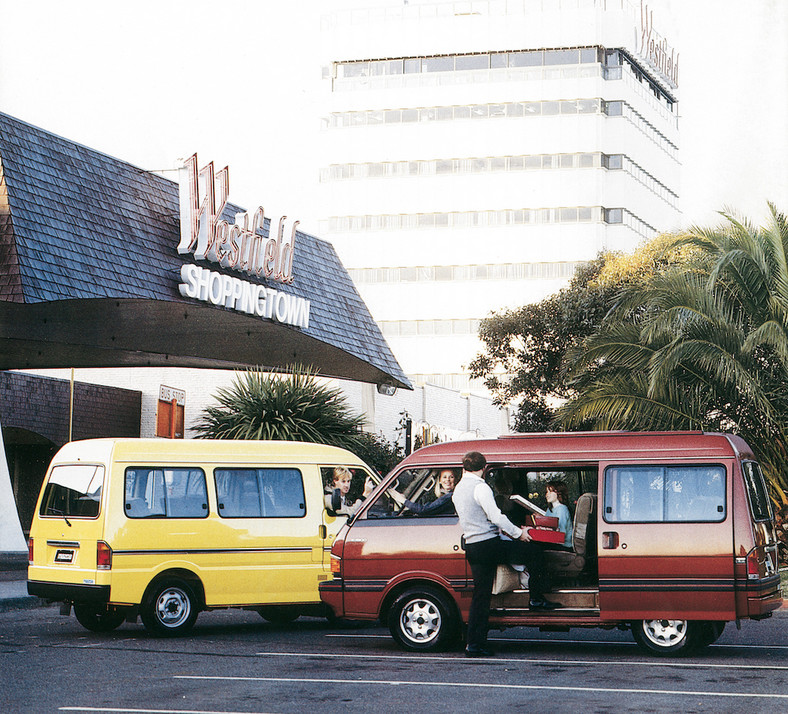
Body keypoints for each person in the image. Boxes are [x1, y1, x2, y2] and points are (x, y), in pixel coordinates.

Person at [452, 451, 558, 657]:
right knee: (534, 552)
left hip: (473, 546)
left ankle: (474, 644)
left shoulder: (458, 490)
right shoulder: (480, 487)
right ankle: (536, 598)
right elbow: (496, 517)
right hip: (489, 544)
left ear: (464, 468)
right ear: (483, 468)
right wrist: (519, 534)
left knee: (481, 596)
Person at [545, 480, 573, 550]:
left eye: (550, 491)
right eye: (546, 492)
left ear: (559, 493)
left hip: (563, 546)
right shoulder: (549, 509)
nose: (547, 494)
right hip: (553, 542)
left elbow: (561, 533)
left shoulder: (562, 509)